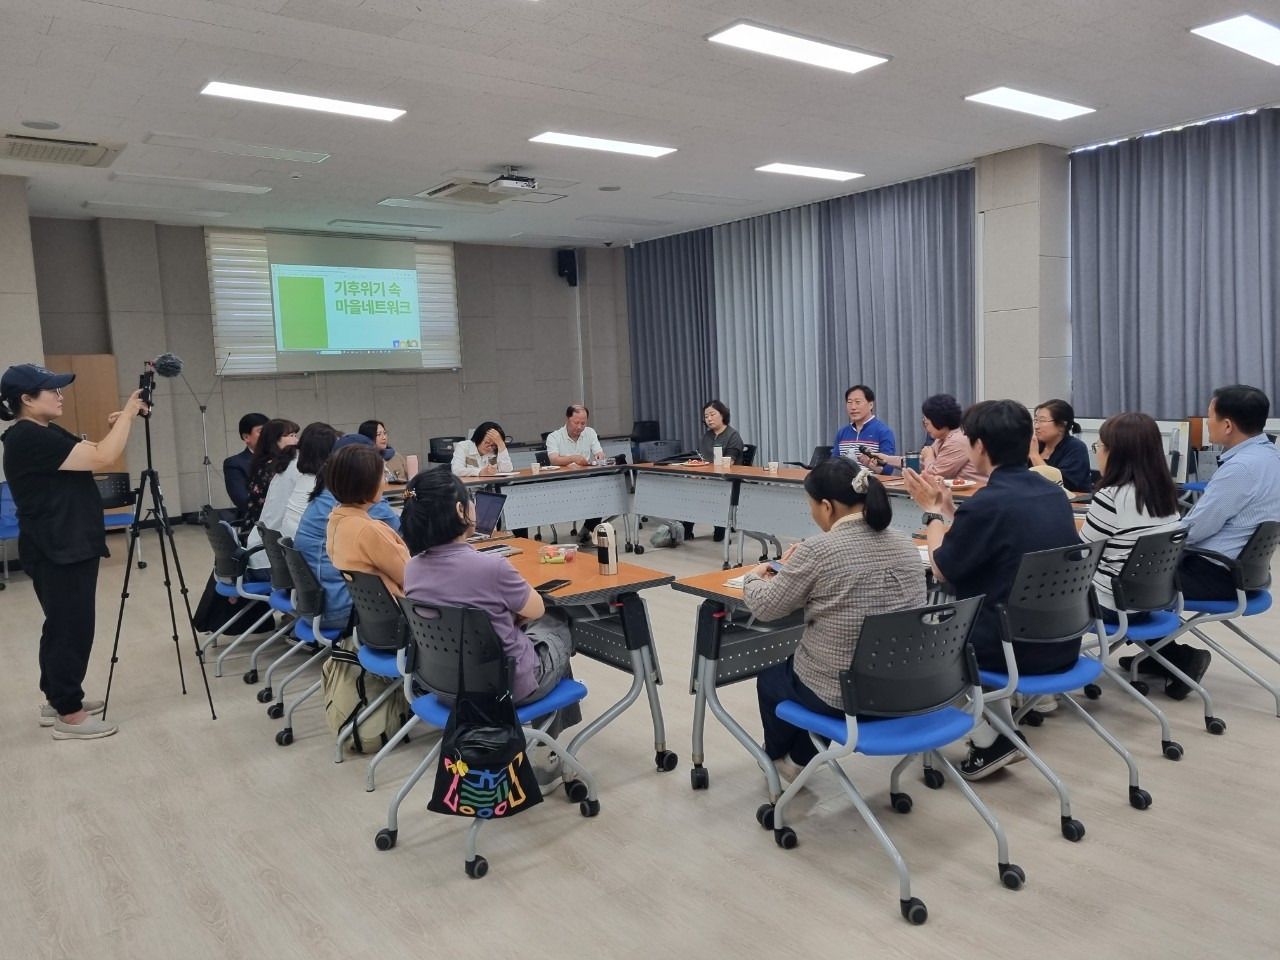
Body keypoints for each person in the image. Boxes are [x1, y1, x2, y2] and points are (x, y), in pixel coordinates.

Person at [904, 399, 1081, 779]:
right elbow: (996, 539)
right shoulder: (1051, 493)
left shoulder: (988, 503)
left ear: (980, 446)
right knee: (982, 616)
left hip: (1010, 648)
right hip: (1062, 638)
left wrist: (933, 514)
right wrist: (951, 513)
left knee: (919, 644)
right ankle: (1000, 736)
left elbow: (942, 568)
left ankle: (990, 740)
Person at [743, 458, 925, 784]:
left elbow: (767, 607)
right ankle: (799, 759)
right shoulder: (904, 542)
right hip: (905, 688)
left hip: (846, 696)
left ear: (827, 507)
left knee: (773, 681)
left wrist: (753, 577)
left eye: (811, 505)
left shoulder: (818, 550)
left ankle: (778, 760)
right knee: (816, 675)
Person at [401, 466, 578, 782]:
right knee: (556, 621)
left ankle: (545, 744)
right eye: (470, 499)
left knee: (523, 629)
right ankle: (545, 750)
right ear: (460, 510)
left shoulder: (412, 568)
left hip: (445, 688)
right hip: (505, 690)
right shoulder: (491, 566)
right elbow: (537, 609)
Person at [1, 363, 147, 740]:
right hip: (58, 545)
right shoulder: (28, 437)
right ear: (26, 399)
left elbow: (94, 449)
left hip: (64, 541)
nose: (59, 395)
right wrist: (128, 416)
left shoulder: (43, 430)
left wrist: (121, 422)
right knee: (71, 627)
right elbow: (104, 458)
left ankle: (58, 698)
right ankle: (69, 715)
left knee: (63, 624)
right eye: (51, 390)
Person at [1136, 385, 1280, 699]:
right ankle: (1158, 655)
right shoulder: (1271, 457)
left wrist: (1146, 539)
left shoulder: (1241, 468)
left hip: (1217, 574)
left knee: (1129, 578)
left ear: (1227, 425)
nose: (1206, 421)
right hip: (1249, 571)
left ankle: (1178, 658)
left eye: (1210, 416)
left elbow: (1196, 529)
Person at [294, 433, 400, 634]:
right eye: (381, 470)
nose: (385, 476)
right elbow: (400, 536)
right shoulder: (358, 509)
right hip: (341, 611)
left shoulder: (330, 498)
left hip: (316, 604)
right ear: (363, 475)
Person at [1079, 413, 1182, 617]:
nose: (1097, 453)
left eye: (1098, 447)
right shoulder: (1165, 491)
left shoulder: (1111, 497)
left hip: (1110, 604)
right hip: (1152, 601)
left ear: (1115, 453)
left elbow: (1083, 557)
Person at [326, 444, 410, 597]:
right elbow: (410, 577)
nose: (385, 481)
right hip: (402, 608)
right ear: (366, 482)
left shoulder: (336, 521)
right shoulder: (370, 531)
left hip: (374, 608)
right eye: (383, 475)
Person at [868, 394, 987, 483]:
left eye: (926, 422)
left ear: (939, 421)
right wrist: (886, 459)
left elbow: (934, 474)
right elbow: (922, 463)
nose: (925, 427)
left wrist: (929, 456)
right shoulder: (942, 438)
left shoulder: (957, 440)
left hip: (974, 495)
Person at [684, 400, 744, 542]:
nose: (709, 419)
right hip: (706, 479)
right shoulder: (707, 436)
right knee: (686, 488)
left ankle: (720, 526)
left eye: (712, 414)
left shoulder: (733, 436)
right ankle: (685, 527)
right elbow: (700, 458)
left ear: (722, 415)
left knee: (704, 489)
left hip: (727, 481)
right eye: (706, 416)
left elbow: (729, 462)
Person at [546, 404, 605, 544]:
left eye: (583, 423)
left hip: (587, 481)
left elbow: (598, 452)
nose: (579, 427)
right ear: (567, 419)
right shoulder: (554, 437)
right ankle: (587, 532)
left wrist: (599, 456)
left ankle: (585, 531)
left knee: (603, 495)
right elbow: (554, 459)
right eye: (576, 423)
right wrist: (572, 458)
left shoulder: (590, 433)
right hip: (562, 483)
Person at [282, 422, 339, 539]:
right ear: (328, 453)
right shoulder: (323, 485)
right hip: (310, 545)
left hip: (293, 543)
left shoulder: (304, 478)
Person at [243, 418, 299, 531]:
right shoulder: (277, 467)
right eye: (291, 436)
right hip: (265, 531)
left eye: (295, 435)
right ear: (275, 440)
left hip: (263, 529)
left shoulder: (263, 462)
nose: (296, 440)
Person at [832, 385, 895, 476]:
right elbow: (833, 463)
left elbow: (888, 469)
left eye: (858, 402)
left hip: (871, 482)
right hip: (844, 482)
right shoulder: (842, 432)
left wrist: (870, 465)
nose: (853, 407)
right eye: (849, 402)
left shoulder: (883, 432)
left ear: (870, 405)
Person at [1030, 399, 1091, 492]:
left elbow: (1061, 486)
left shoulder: (1076, 448)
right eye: (1036, 420)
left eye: (1042, 421)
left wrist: (1034, 456)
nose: (1036, 426)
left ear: (1062, 425)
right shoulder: (1036, 446)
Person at [223, 412, 268, 517]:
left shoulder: (282, 458)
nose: (267, 435)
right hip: (255, 519)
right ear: (246, 437)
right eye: (261, 431)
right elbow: (242, 499)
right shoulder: (235, 463)